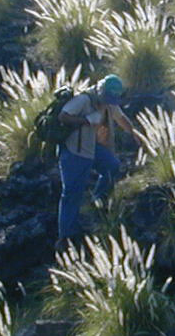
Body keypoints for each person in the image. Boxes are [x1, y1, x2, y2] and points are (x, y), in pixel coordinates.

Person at [56, 74, 139, 245]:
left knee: (112, 166)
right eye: (108, 97)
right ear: (101, 90)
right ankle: (66, 237)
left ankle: (98, 200)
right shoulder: (83, 100)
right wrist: (86, 120)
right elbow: (63, 116)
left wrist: (135, 134)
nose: (109, 101)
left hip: (92, 148)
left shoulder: (109, 103)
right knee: (72, 193)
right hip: (74, 151)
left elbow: (121, 119)